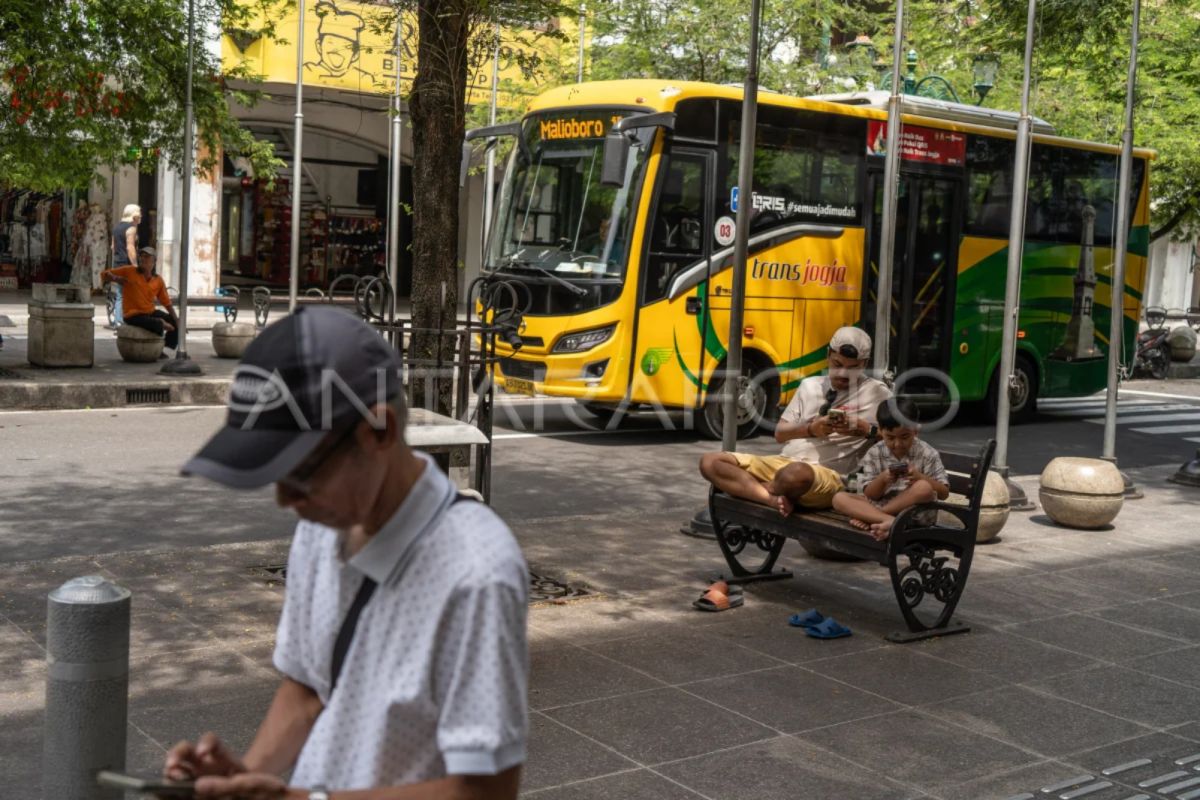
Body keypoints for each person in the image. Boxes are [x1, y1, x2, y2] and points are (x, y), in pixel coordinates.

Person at [166, 306, 529, 800]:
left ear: (377, 432)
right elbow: (309, 687)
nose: (285, 501)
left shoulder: (476, 574)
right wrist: (244, 781)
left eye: (300, 472)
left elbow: (486, 790)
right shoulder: (321, 526)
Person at [699, 326, 892, 515]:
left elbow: (903, 438)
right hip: (784, 463)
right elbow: (780, 434)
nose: (842, 374)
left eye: (852, 368)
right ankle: (770, 498)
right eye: (837, 364)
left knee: (795, 474)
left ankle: (751, 488)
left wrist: (867, 429)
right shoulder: (810, 386)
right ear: (828, 356)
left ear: (864, 364)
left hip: (826, 476)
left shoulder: (877, 392)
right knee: (711, 462)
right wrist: (811, 429)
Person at [832, 397, 950, 541]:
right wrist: (882, 480)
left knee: (924, 487)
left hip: (915, 516)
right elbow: (871, 494)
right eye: (890, 437)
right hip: (879, 504)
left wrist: (920, 477)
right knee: (839, 498)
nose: (898, 444)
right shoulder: (875, 452)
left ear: (916, 430)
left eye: (905, 437)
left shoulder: (927, 453)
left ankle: (877, 517)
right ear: (881, 431)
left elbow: (944, 493)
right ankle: (888, 521)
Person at [100, 246, 178, 358]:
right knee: (157, 323)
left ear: (154, 261)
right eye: (141, 256)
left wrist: (176, 319)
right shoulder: (129, 271)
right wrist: (115, 278)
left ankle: (161, 347)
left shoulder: (158, 280)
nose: (143, 259)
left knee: (173, 321)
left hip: (149, 312)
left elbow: (167, 302)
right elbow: (104, 274)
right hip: (132, 314)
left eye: (147, 257)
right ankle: (160, 325)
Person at [108, 204, 140, 329]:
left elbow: (113, 247)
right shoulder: (131, 228)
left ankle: (119, 321)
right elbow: (130, 247)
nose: (140, 216)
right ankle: (125, 320)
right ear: (134, 216)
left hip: (118, 263)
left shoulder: (116, 228)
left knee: (121, 294)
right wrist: (135, 265)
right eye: (139, 214)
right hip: (127, 265)